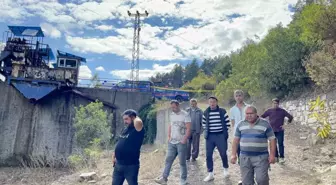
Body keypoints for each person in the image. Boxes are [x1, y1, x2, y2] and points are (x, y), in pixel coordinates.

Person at [231, 105, 276, 185]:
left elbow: (272, 139)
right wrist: (233, 154)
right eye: (247, 113)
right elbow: (235, 140)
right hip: (245, 158)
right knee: (246, 182)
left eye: (251, 113)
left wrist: (272, 155)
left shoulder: (265, 124)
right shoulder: (240, 124)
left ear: (256, 113)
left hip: (261, 158)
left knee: (262, 179)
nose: (249, 115)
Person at [155, 100, 191, 185]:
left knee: (182, 162)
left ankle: (183, 181)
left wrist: (184, 139)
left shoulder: (185, 115)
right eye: (172, 107)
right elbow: (170, 126)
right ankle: (164, 179)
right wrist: (169, 137)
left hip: (181, 142)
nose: (173, 109)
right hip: (172, 142)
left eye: (174, 107)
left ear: (178, 106)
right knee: (168, 160)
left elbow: (189, 128)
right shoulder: (171, 114)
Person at [112, 109, 145, 185]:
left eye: (126, 119)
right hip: (118, 165)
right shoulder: (125, 129)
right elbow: (120, 142)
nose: (125, 121)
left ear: (133, 118)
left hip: (130, 166)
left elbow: (139, 122)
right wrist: (114, 155)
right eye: (124, 119)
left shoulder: (138, 129)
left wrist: (135, 116)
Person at [202, 96, 230, 182]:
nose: (212, 103)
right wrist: (207, 132)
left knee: (223, 153)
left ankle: (225, 169)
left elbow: (227, 123)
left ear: (217, 102)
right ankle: (210, 174)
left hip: (220, 135)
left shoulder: (222, 111)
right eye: (210, 102)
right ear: (208, 103)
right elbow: (203, 124)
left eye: (213, 102)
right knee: (208, 155)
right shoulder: (206, 112)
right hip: (210, 136)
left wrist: (223, 132)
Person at [261, 98, 293, 164]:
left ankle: (281, 158)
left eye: (276, 103)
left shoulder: (282, 111)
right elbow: (262, 117)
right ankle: (276, 157)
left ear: (278, 104)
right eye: (273, 103)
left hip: (280, 130)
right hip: (271, 131)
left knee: (280, 144)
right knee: (273, 144)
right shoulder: (269, 111)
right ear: (272, 104)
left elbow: (290, 117)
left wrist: (285, 124)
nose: (275, 105)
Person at [229, 90, 248, 185]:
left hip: (248, 136)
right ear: (234, 97)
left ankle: (252, 177)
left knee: (250, 157)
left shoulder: (248, 107)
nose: (238, 97)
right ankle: (243, 177)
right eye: (236, 95)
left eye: (240, 95)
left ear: (243, 96)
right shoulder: (232, 109)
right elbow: (233, 124)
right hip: (238, 137)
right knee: (241, 157)